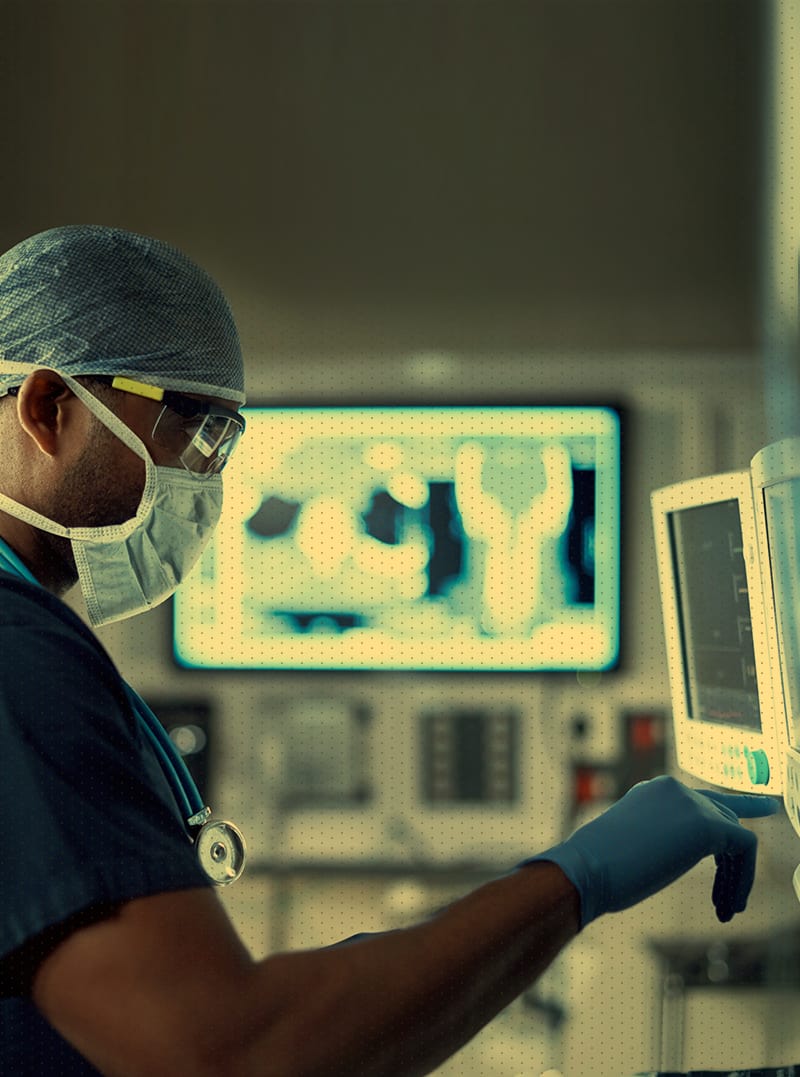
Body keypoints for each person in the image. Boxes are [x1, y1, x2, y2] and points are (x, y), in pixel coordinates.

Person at [0, 224, 780, 1077]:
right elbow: (231, 1053)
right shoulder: (18, 653)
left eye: (225, 445)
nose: (208, 481)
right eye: (197, 432)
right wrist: (577, 877)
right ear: (49, 408)